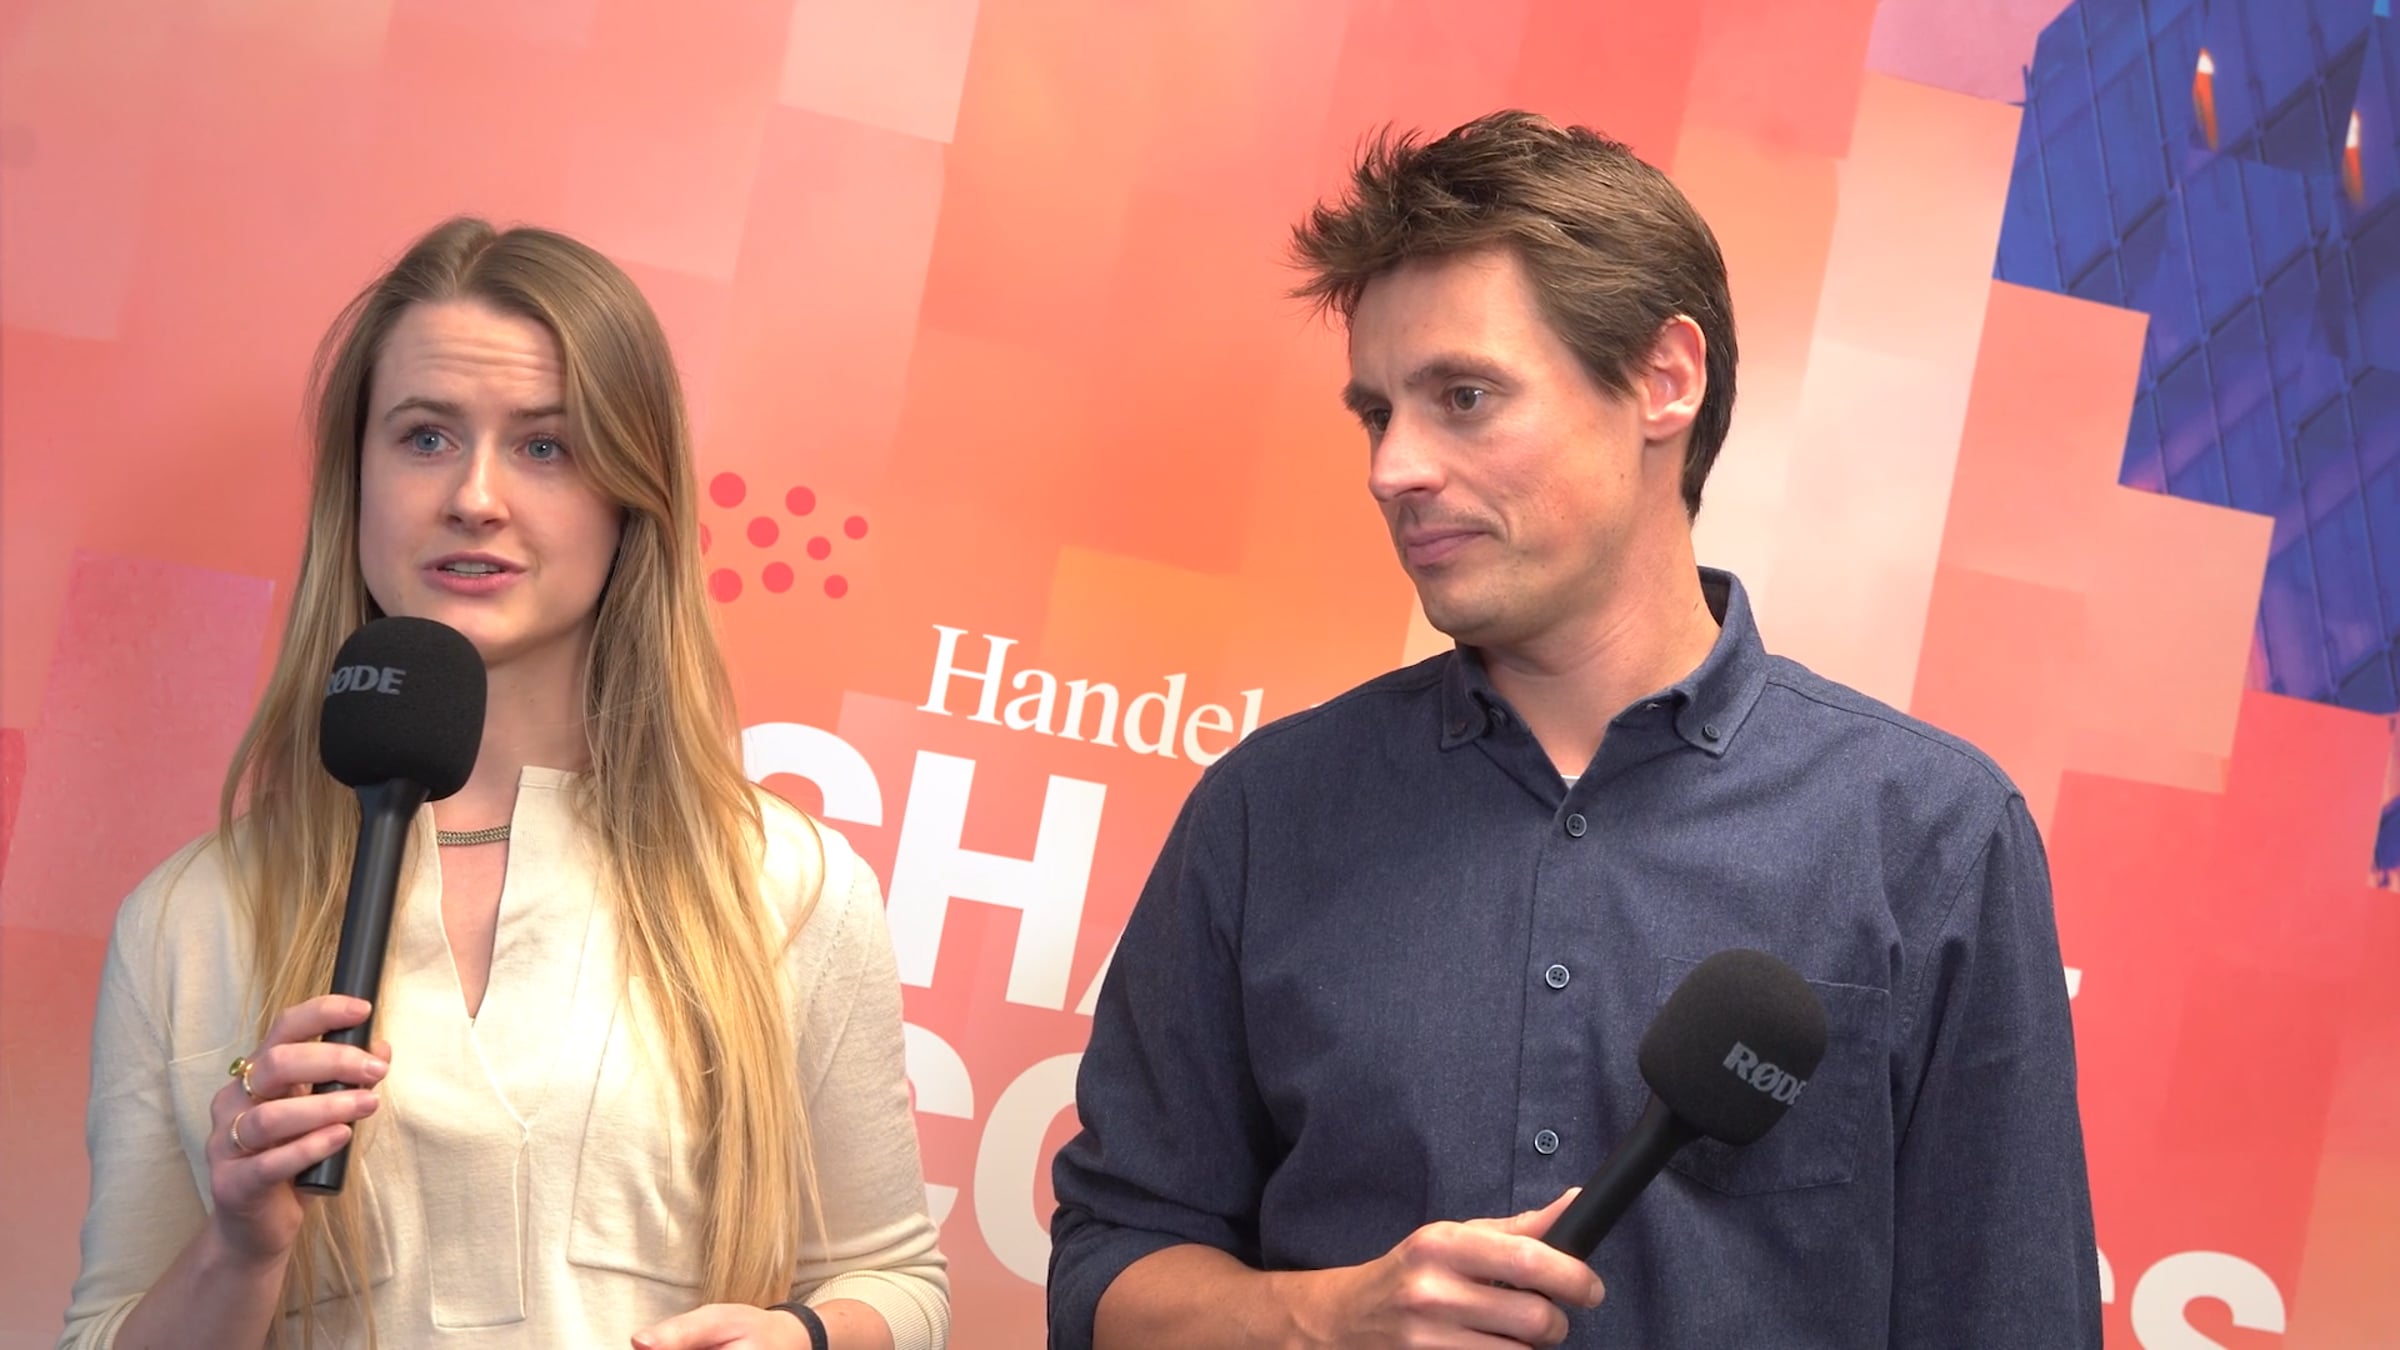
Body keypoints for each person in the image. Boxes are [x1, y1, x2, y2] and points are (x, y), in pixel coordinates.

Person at [1048, 111, 2101, 1348]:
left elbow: (2010, 1314)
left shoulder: (1933, 834)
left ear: (1665, 380)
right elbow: (1107, 1276)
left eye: (1464, 397)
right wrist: (1323, 1317)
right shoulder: (1265, 813)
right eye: (1377, 413)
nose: (1393, 468)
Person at [62, 218, 948, 1350]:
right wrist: (238, 1250)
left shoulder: (787, 885)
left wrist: (807, 1339)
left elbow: (900, 1281)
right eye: (426, 437)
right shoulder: (187, 921)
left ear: (632, 497)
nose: (475, 497)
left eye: (545, 447)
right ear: (357, 482)